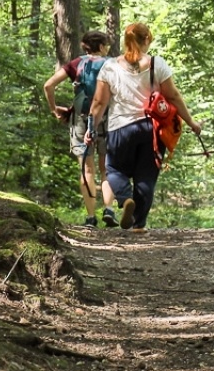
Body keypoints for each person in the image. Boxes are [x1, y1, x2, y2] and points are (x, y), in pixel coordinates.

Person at [87, 22, 202, 232]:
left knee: (113, 169)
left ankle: (125, 198)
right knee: (146, 176)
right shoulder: (157, 64)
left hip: (120, 129)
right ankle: (139, 224)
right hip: (152, 130)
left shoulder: (110, 66)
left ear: (125, 41)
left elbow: (99, 102)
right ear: (147, 39)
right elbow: (173, 96)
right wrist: (191, 122)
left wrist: (91, 128)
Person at [44, 30, 115, 228]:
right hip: (108, 119)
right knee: (107, 168)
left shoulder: (76, 64)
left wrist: (54, 110)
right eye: (106, 45)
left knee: (87, 169)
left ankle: (91, 217)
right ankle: (109, 209)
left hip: (80, 121)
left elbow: (48, 85)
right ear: (101, 47)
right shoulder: (113, 65)